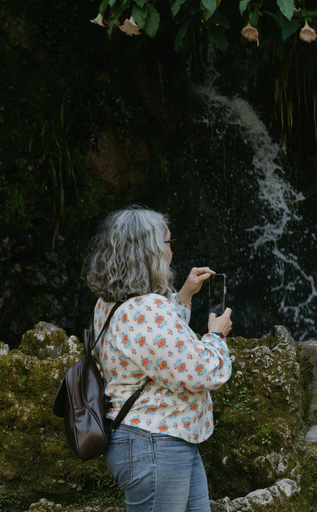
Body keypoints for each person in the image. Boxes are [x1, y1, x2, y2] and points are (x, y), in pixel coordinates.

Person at [86, 206, 233, 512]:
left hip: (164, 436)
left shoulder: (113, 303)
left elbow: (154, 350)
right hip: (155, 442)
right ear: (150, 250)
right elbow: (200, 371)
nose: (171, 252)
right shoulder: (146, 310)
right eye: (169, 244)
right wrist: (216, 336)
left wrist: (183, 296)